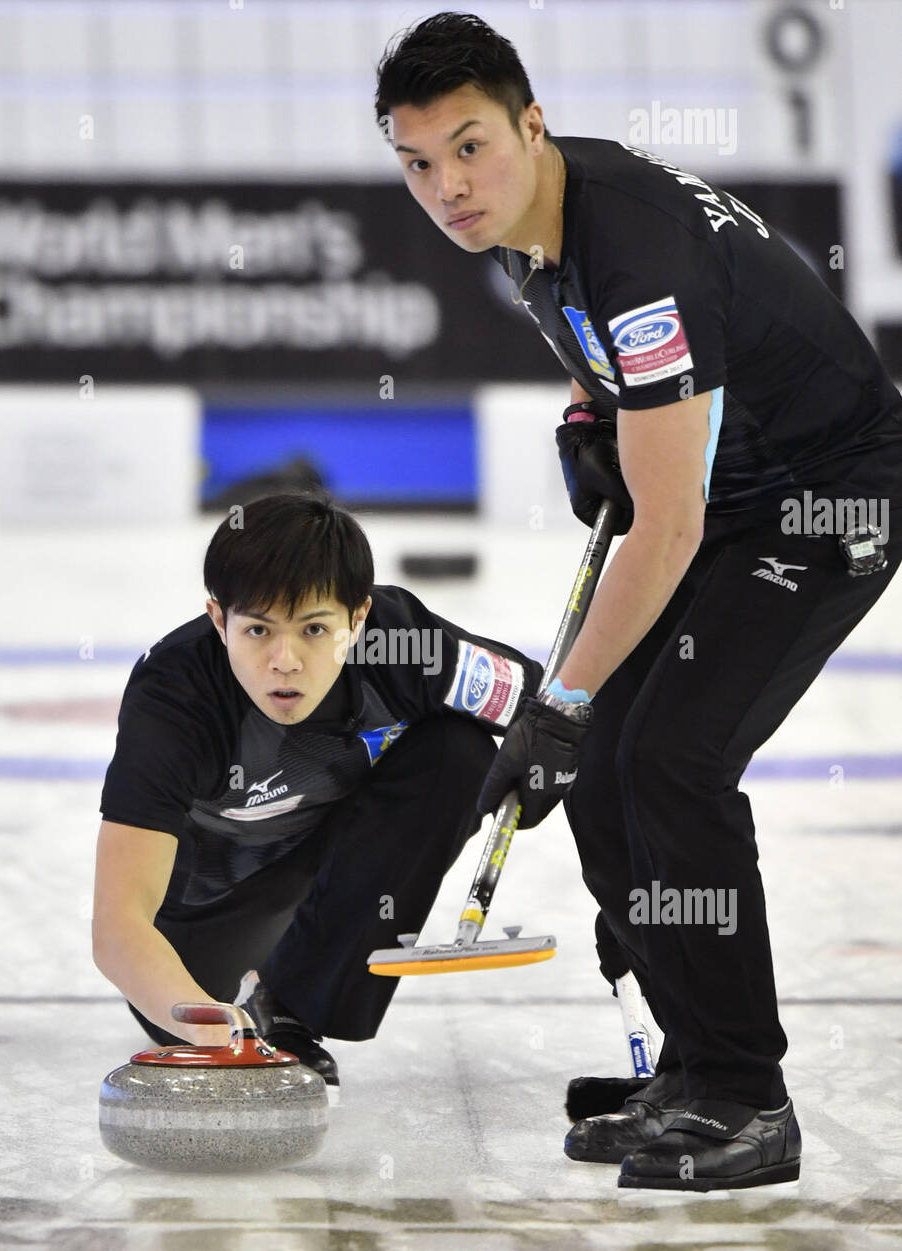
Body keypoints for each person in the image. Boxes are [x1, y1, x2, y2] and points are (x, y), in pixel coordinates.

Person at [375, 12, 902, 1188]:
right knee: (610, 749)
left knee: (663, 753)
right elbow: (590, 343)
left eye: (469, 147)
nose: (447, 188)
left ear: (531, 123)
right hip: (732, 485)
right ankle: (693, 1063)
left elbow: (662, 532)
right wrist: (586, 418)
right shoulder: (525, 221)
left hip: (829, 497)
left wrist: (551, 705)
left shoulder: (639, 255)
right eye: (416, 164)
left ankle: (746, 1096)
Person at [92, 492, 542, 1085]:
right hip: (205, 932)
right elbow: (118, 925)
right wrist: (216, 1032)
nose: (286, 661)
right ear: (217, 619)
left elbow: (555, 715)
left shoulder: (403, 645)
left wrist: (551, 767)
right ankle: (252, 1005)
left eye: (314, 629)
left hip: (332, 880)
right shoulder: (175, 698)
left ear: (358, 619)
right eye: (257, 629)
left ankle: (294, 1009)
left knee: (459, 753)